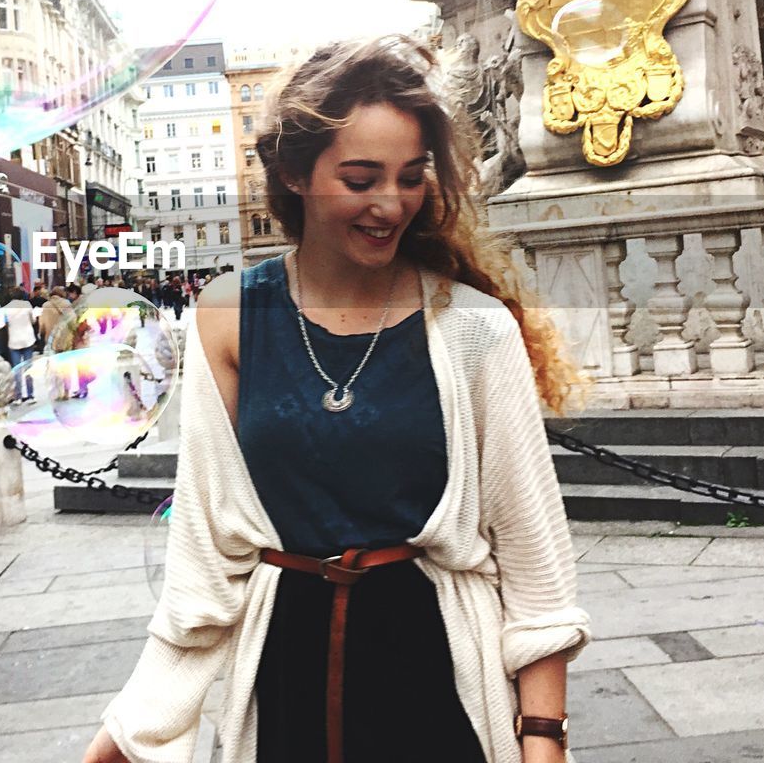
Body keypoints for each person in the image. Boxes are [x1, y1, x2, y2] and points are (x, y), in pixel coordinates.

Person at [84, 37, 590, 763]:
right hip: (289, 680)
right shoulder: (229, 317)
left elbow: (536, 565)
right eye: (360, 179)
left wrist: (544, 740)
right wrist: (127, 734)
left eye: (410, 176)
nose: (391, 204)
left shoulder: (474, 328)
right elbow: (204, 563)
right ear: (294, 173)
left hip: (437, 675)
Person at [2, 288, 38, 403]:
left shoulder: (6, 308)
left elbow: (0, 324)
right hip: (28, 339)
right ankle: (31, 395)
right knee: (28, 368)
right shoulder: (27, 305)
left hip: (14, 340)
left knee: (16, 369)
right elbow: (33, 320)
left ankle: (18, 396)